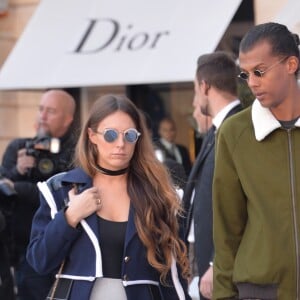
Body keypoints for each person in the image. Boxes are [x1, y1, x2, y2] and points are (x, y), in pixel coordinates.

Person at [26, 94, 191, 300]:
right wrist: (69, 217)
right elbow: (40, 261)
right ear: (92, 136)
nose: (120, 144)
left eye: (129, 135)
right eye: (111, 135)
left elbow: (173, 276)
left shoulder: (159, 194)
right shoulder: (60, 189)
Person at [212, 22, 300, 300]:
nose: (251, 82)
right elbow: (227, 226)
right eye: (245, 73)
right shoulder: (235, 133)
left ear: (291, 64)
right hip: (260, 290)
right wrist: (224, 295)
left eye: (259, 71)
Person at [0, 89, 77, 300]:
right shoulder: (19, 148)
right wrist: (17, 171)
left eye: (51, 111)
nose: (42, 116)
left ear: (68, 119)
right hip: (24, 249)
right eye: (41, 109)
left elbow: (64, 196)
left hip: (65, 248)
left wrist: (20, 188)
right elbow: (2, 188)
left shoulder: (76, 153)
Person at [182, 51, 242, 300]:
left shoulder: (238, 128)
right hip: (203, 265)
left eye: (196, 88)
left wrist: (218, 263)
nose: (196, 96)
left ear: (204, 86)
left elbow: (246, 204)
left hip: (222, 272)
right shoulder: (217, 130)